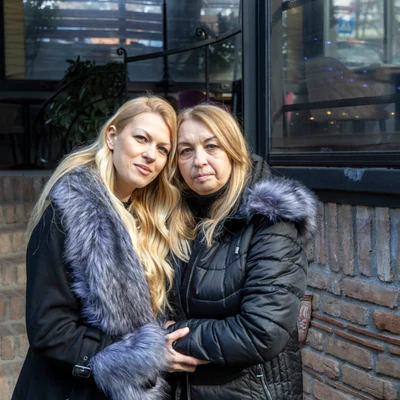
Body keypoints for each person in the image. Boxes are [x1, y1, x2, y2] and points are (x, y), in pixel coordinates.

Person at [12, 95, 201, 400]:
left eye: (162, 149)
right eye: (141, 138)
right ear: (112, 136)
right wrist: (144, 357)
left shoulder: (150, 219)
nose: (150, 155)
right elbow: (49, 329)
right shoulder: (68, 213)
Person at [167, 104, 318, 400]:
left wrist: (168, 339)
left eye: (212, 146)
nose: (199, 160)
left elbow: (262, 331)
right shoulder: (174, 219)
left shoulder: (270, 222)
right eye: (186, 151)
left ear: (233, 151)